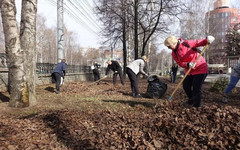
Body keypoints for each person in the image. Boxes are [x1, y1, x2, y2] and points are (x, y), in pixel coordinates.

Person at [164, 35, 215, 108]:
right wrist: (187, 64)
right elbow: (179, 63)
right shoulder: (174, 53)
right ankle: (191, 100)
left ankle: (196, 106)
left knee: (196, 87)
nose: (168, 48)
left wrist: (207, 40)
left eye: (169, 46)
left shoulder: (186, 43)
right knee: (186, 86)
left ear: (174, 43)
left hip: (200, 68)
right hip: (189, 70)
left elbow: (198, 42)